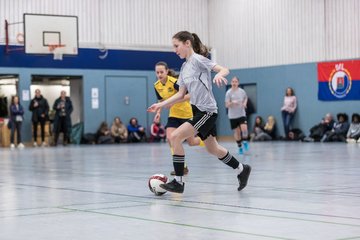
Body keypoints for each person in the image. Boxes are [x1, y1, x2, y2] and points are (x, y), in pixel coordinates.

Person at [147, 31, 251, 193]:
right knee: (213, 149)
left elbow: (224, 69)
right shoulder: (184, 67)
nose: (175, 50)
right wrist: (160, 105)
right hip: (197, 110)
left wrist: (219, 76)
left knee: (175, 136)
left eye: (176, 46)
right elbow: (180, 94)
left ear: (187, 43)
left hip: (207, 111)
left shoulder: (198, 60)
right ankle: (242, 169)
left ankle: (178, 182)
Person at [153, 61, 204, 175]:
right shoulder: (157, 85)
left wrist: (175, 101)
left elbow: (190, 94)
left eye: (162, 72)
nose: (160, 74)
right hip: (174, 115)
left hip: (186, 114)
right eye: (157, 72)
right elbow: (161, 101)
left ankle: (208, 141)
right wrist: (159, 113)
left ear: (167, 71)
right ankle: (182, 167)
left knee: (192, 142)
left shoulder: (175, 82)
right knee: (170, 138)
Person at [225, 76, 249, 154]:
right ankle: (240, 147)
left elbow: (245, 98)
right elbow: (226, 105)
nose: (234, 83)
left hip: (241, 113)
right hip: (232, 116)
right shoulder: (228, 93)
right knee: (237, 132)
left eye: (235, 82)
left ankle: (245, 141)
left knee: (244, 129)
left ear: (238, 83)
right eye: (233, 82)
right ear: (231, 83)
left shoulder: (242, 91)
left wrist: (244, 103)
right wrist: (232, 103)